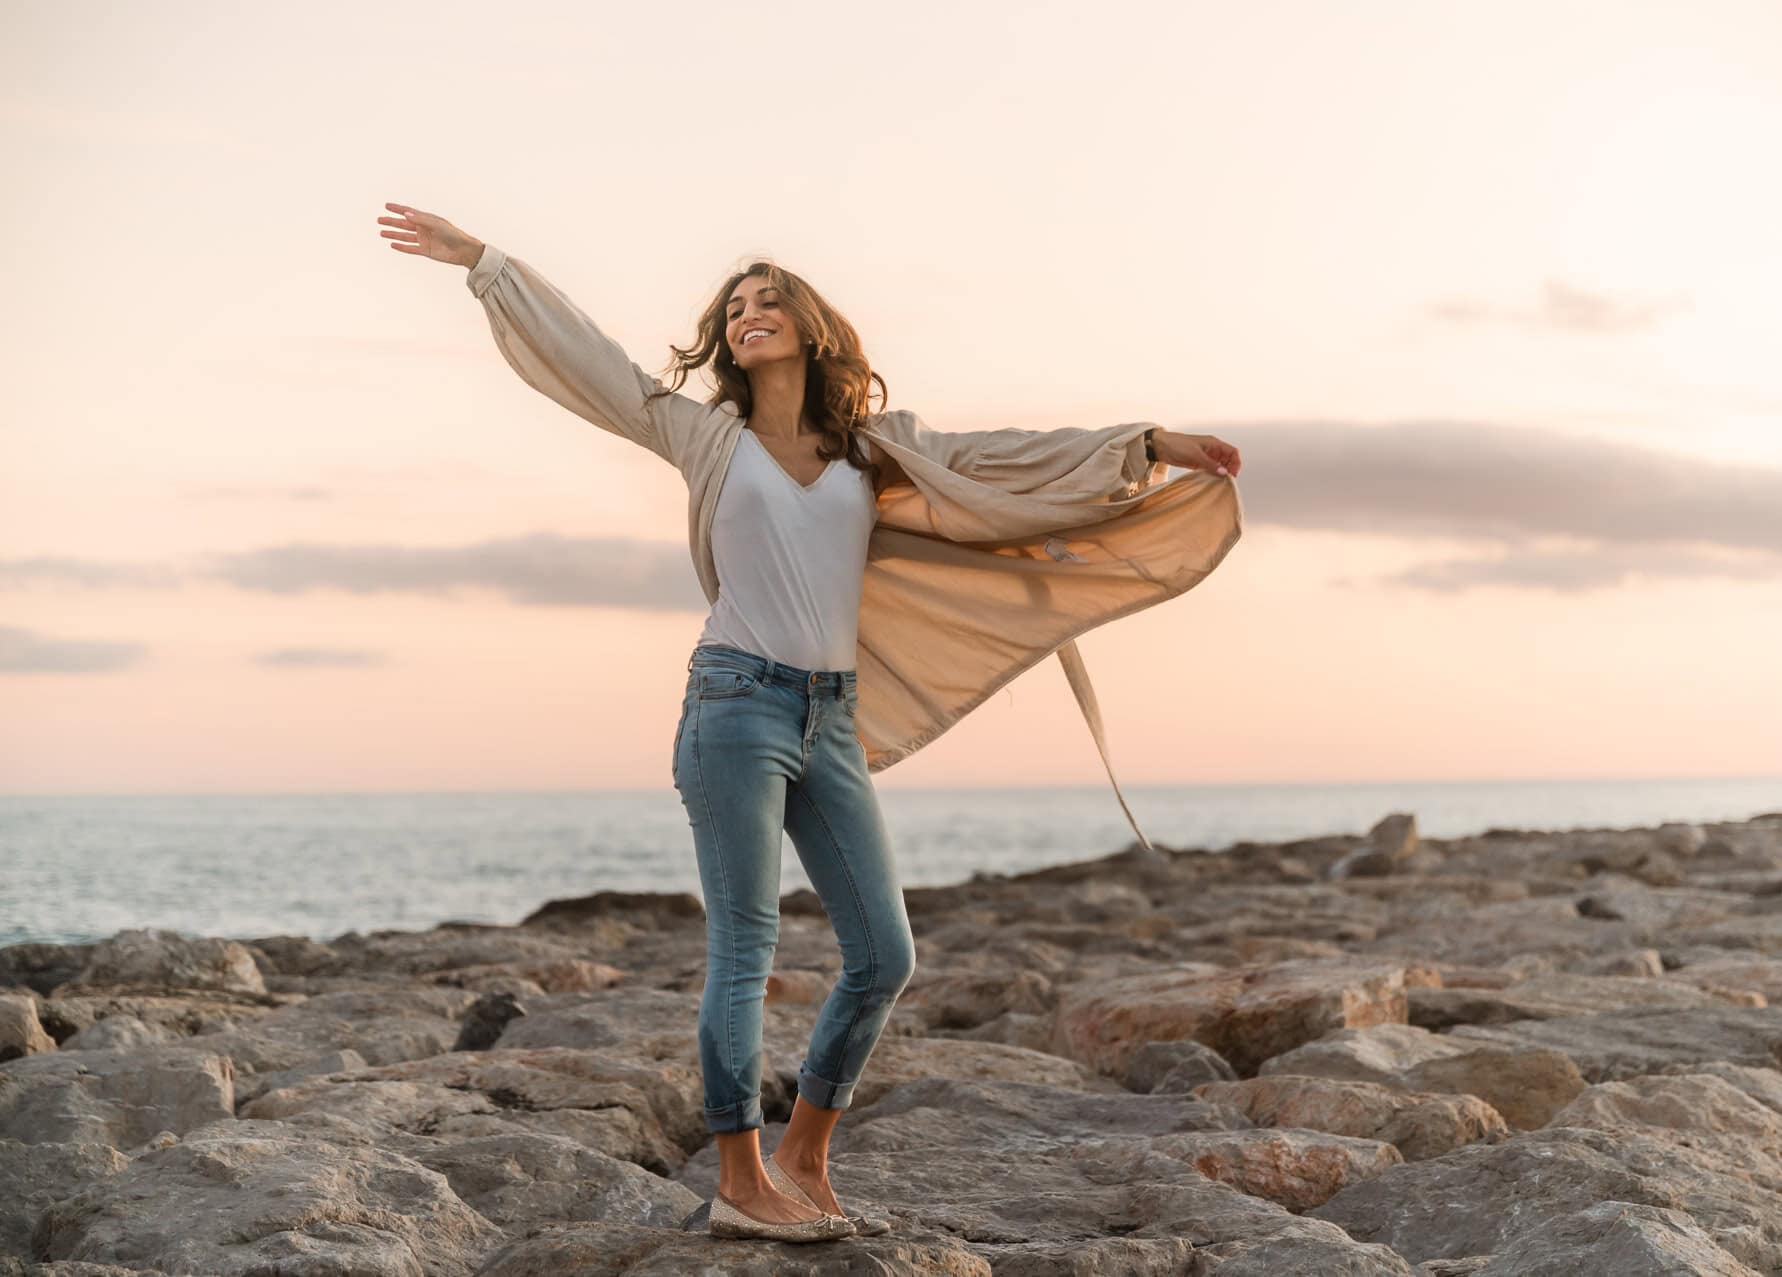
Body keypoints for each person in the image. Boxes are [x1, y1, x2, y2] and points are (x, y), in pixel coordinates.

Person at [378, 202, 1243, 1243]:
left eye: (768, 299)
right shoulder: (701, 434)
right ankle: (740, 1178)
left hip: (828, 717)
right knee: (746, 944)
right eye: (735, 305)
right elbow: (593, 362)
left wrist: (1145, 443)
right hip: (734, 702)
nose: (749, 313)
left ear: (809, 325)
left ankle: (804, 1156)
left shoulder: (873, 450)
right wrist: (487, 263)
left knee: (883, 952)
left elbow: (1003, 456)